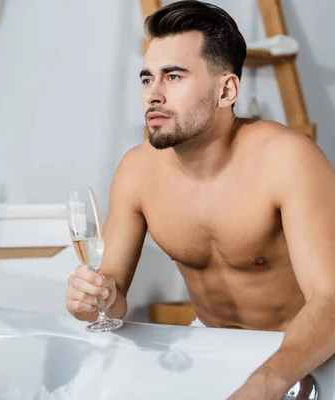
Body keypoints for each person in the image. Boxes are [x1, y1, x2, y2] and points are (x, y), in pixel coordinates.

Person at [65, 1, 335, 399]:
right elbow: (113, 296)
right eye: (146, 79)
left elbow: (330, 301)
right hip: (211, 348)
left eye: (173, 77)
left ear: (226, 90)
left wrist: (265, 385)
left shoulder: (288, 159)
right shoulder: (137, 171)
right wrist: (94, 300)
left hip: (304, 355)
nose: (153, 95)